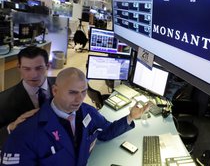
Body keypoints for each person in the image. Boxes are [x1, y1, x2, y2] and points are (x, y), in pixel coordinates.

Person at [0, 67, 149, 165]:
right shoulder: (26, 132)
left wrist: (130, 117)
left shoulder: (87, 112)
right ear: (55, 91)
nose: (79, 99)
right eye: (72, 92)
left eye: (83, 92)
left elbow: (106, 132)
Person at [0, 46, 55, 149]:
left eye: (39, 68)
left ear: (48, 66)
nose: (33, 75)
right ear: (19, 67)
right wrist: (11, 127)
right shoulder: (2, 100)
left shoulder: (62, 86)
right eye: (27, 69)